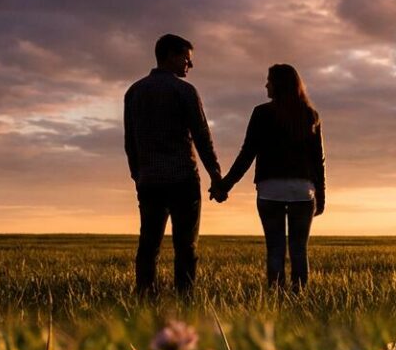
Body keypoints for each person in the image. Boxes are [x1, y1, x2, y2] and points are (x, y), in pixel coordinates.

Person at [123, 33, 223, 296]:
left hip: (150, 181)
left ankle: (145, 297)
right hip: (183, 180)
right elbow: (202, 135)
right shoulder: (185, 91)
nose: (189, 66)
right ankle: (185, 298)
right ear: (170, 55)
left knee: (149, 244)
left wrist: (138, 175)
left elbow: (129, 141)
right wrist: (215, 174)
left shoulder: (134, 92)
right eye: (186, 60)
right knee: (186, 247)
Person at [216, 64, 326, 291]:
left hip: (270, 190)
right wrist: (321, 195)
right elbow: (318, 160)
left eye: (269, 80)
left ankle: (275, 297)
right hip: (302, 191)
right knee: (299, 249)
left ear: (279, 84)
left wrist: (225, 185)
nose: (266, 84)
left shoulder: (262, 113)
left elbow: (247, 154)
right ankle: (298, 301)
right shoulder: (310, 116)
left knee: (275, 248)